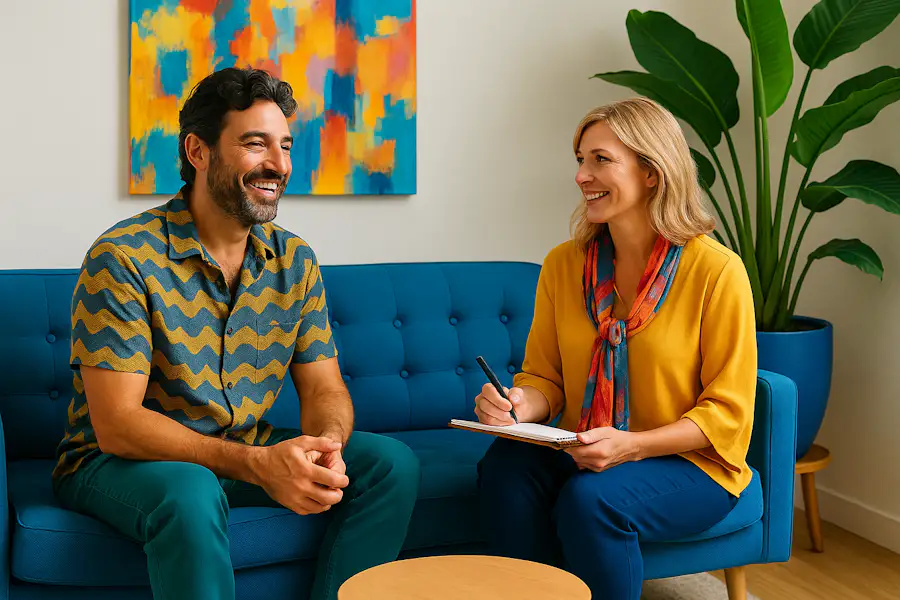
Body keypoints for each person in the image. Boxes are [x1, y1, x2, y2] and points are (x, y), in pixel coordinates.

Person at [52, 67, 420, 600]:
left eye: (285, 146)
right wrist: (258, 465)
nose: (278, 164)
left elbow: (323, 388)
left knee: (390, 465)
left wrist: (327, 449)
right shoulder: (125, 257)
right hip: (118, 463)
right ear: (198, 152)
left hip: (241, 448)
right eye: (255, 144)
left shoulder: (295, 259)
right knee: (189, 487)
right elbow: (118, 425)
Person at [475, 97, 757, 600]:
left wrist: (633, 445)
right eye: (580, 160)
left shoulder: (717, 271)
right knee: (504, 468)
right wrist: (518, 404)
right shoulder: (564, 265)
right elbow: (545, 378)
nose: (582, 175)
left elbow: (727, 414)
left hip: (691, 464)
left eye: (600, 159)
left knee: (592, 500)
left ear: (652, 171)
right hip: (587, 445)